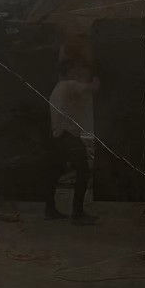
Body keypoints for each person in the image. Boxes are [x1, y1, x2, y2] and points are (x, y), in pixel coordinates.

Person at [45, 61, 99, 224]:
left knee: (55, 173)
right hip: (69, 137)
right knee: (83, 171)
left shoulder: (56, 89)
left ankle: (50, 209)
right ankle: (78, 213)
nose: (77, 74)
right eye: (75, 70)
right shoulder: (69, 85)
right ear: (68, 72)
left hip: (58, 137)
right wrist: (96, 79)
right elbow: (91, 87)